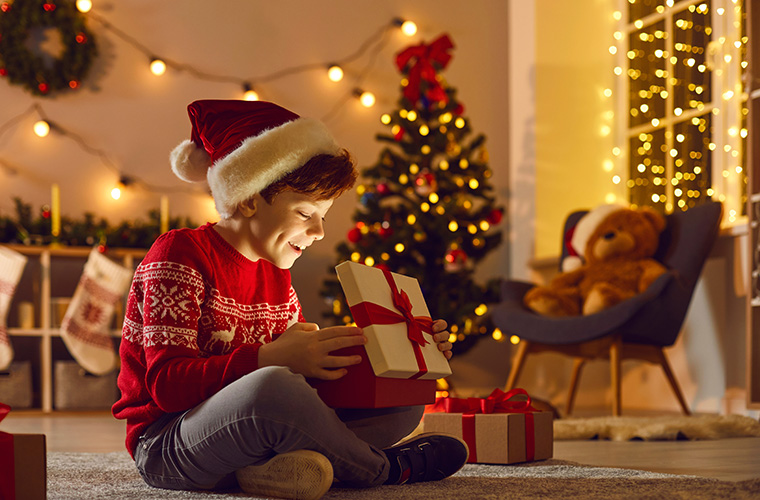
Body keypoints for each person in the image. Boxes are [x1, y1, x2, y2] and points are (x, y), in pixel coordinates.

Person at [112, 99, 468, 500]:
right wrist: (269, 359)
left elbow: (302, 388)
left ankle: (269, 471)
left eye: (324, 216)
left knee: (402, 403)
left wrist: (398, 351)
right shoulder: (179, 255)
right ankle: (383, 468)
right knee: (272, 387)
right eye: (304, 213)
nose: (318, 231)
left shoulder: (277, 275)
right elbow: (167, 386)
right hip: (169, 445)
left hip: (248, 438)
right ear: (248, 197)